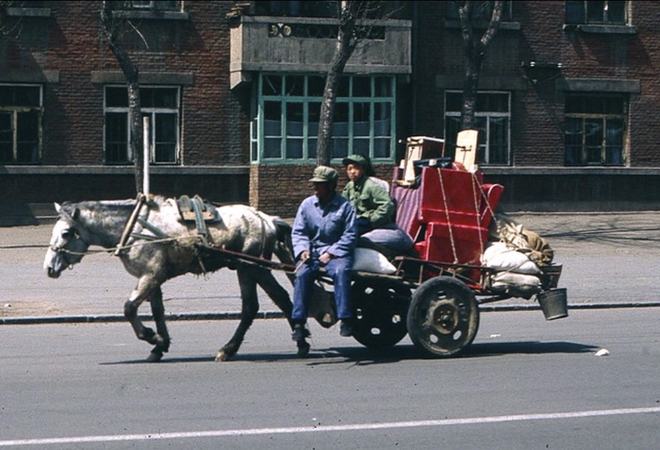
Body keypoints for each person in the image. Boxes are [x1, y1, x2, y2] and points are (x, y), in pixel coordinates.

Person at [291, 166, 357, 342]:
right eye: (315, 185)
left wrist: (331, 253)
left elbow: (350, 235)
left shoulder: (345, 207)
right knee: (302, 275)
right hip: (313, 252)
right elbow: (299, 232)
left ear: (331, 186)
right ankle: (298, 323)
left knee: (341, 272)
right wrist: (303, 250)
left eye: (319, 185)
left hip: (338, 254)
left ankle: (345, 319)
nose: (315, 188)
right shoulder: (307, 205)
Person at [342, 154, 414, 255]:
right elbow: (343, 205)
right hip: (356, 220)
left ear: (363, 170)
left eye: (356, 168)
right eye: (349, 169)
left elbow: (388, 205)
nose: (352, 172)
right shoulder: (349, 186)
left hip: (368, 221)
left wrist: (373, 220)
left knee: (351, 236)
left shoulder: (371, 186)